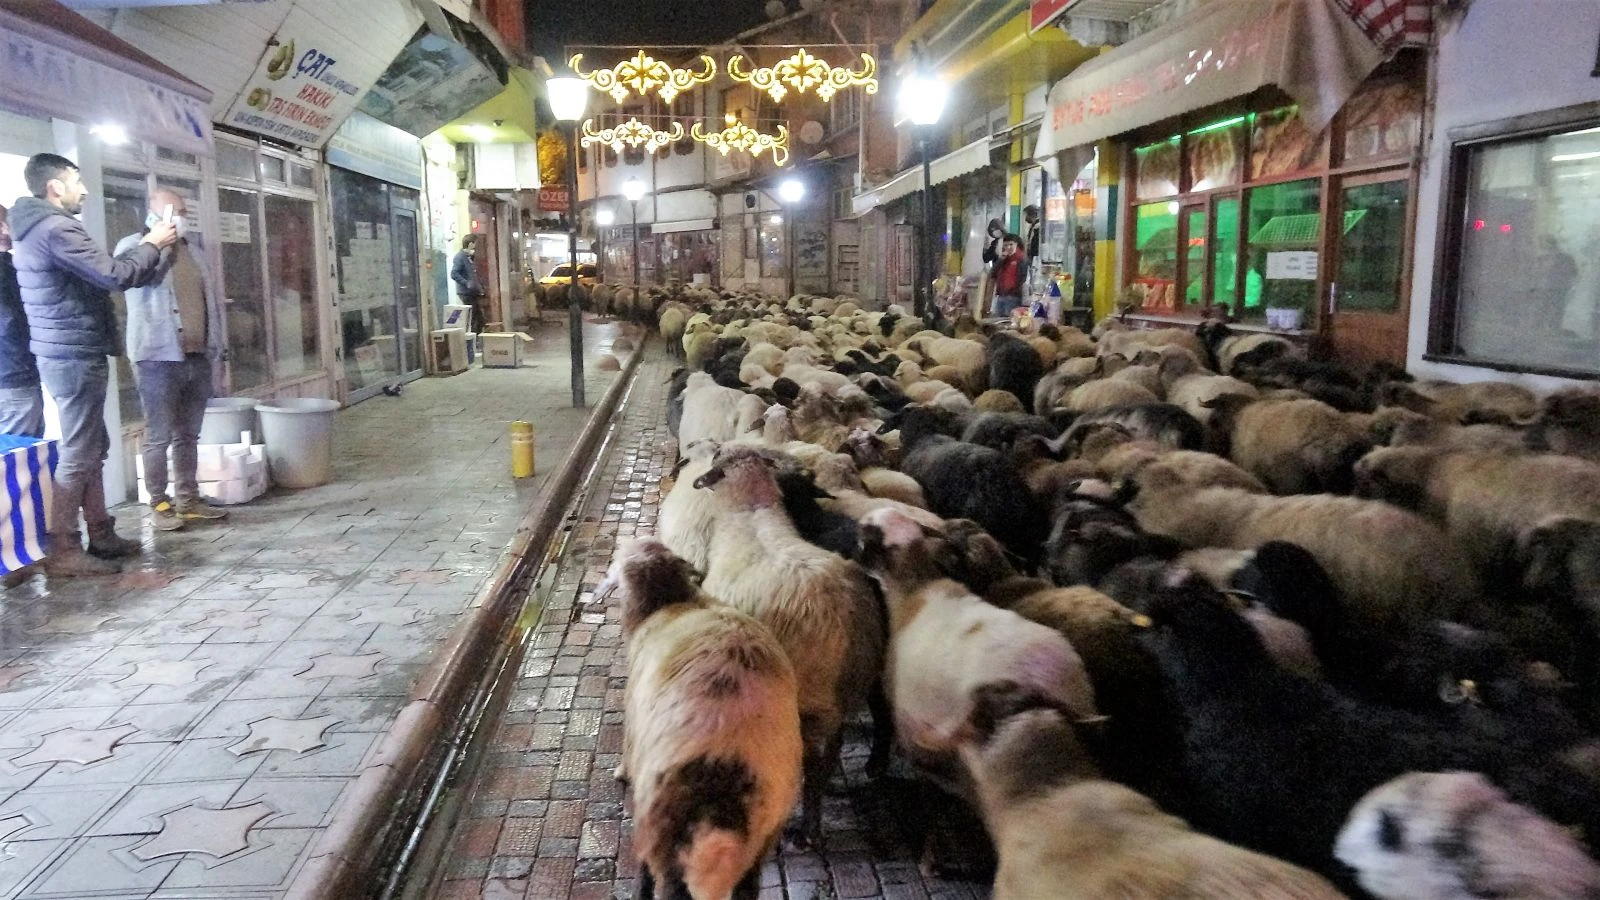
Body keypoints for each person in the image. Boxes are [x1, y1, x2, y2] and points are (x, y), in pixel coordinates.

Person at [10, 153, 176, 576]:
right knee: (79, 451)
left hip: (65, 351)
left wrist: (151, 249)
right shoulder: (56, 228)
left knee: (92, 448)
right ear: (55, 187)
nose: (84, 190)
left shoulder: (35, 228)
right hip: (73, 354)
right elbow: (114, 275)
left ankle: (100, 534)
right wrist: (153, 244)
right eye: (77, 181)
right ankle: (63, 549)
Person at [116, 189, 227, 532]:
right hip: (156, 358)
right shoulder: (132, 247)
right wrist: (158, 243)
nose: (181, 217)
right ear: (153, 213)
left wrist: (216, 346)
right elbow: (133, 278)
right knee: (159, 435)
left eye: (183, 211)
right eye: (173, 211)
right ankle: (158, 503)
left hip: (197, 356)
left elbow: (210, 302)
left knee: (188, 435)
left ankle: (188, 501)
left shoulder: (194, 250)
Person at [0, 202, 42, 438]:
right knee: (19, 455)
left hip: (11, 377)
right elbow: (11, 323)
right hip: (14, 377)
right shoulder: (6, 270)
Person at [452, 235, 486, 332]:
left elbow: (473, 274)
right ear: (470, 244)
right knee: (474, 317)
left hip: (472, 292)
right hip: (466, 293)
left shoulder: (469, 257)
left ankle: (477, 335)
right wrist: (466, 283)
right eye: (475, 243)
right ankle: (473, 337)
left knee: (479, 318)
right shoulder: (460, 257)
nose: (476, 245)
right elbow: (454, 274)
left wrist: (479, 287)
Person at [992, 233, 1028, 319]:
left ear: (1016, 244)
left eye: (1011, 244)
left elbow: (1023, 278)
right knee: (998, 320)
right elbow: (993, 273)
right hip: (1001, 296)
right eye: (1005, 245)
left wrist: (1014, 291)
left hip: (1013, 297)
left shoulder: (1021, 259)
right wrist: (1001, 260)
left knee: (1010, 321)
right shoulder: (1004, 259)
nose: (1008, 247)